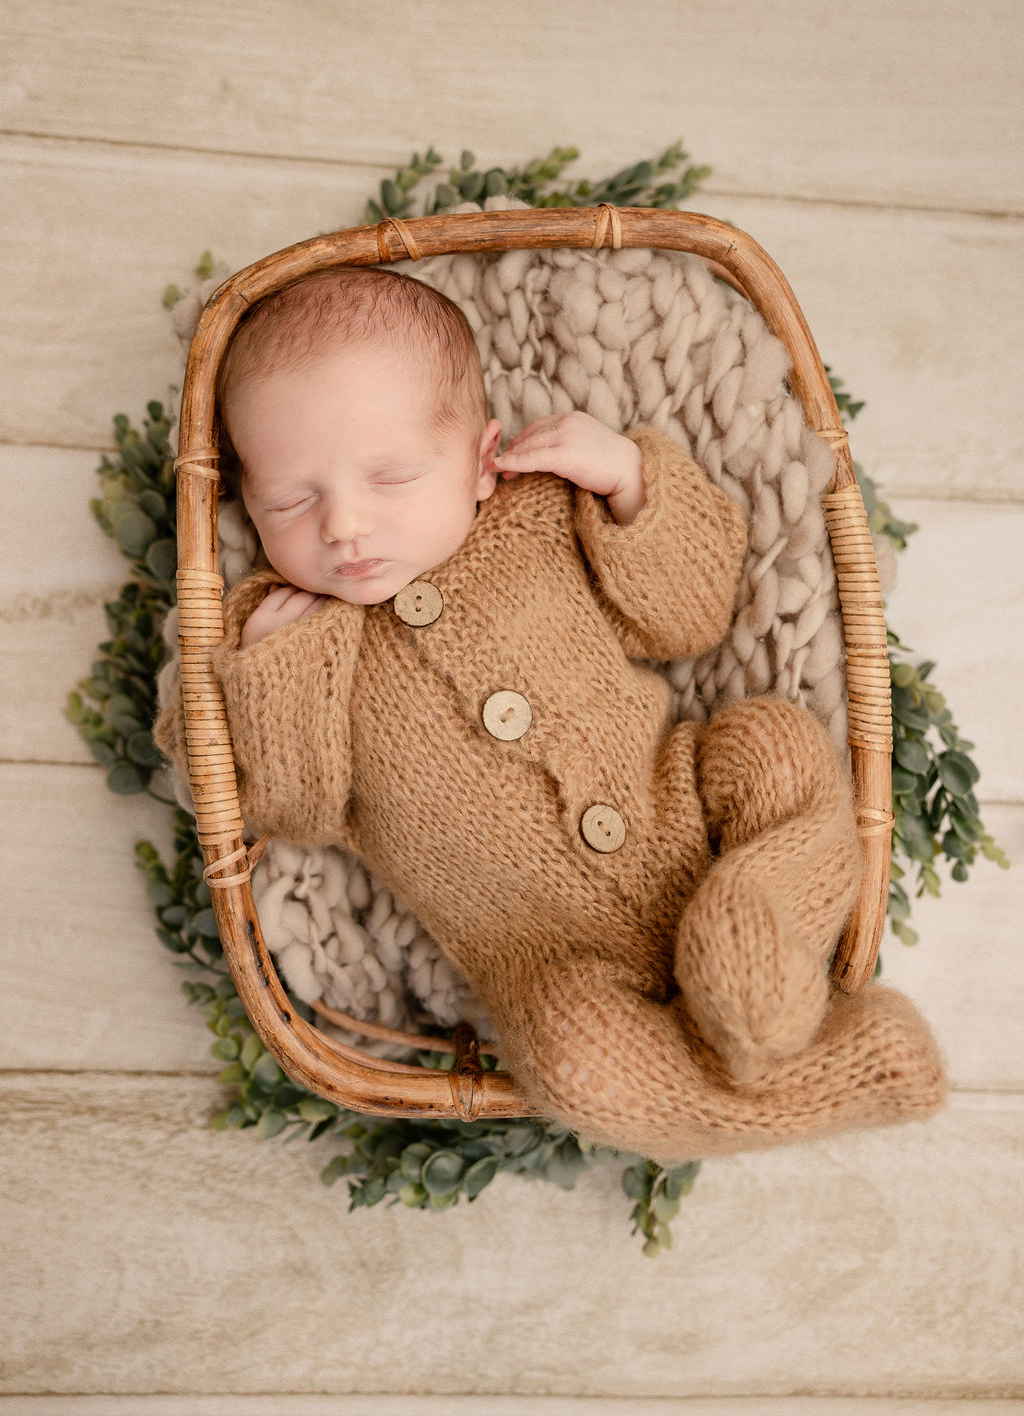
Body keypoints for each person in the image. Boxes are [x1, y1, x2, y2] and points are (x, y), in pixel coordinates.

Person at [156, 265, 944, 1162]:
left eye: (391, 476)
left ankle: (756, 937)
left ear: (482, 459)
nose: (344, 526)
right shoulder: (279, 631)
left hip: (684, 811)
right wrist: (270, 676)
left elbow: (691, 615)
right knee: (573, 1057)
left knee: (774, 745)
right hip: (553, 955)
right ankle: (812, 1083)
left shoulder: (537, 513)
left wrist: (630, 484)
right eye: (291, 500)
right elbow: (284, 805)